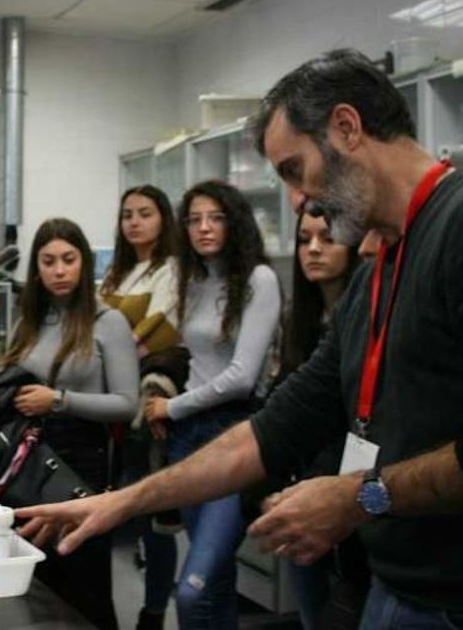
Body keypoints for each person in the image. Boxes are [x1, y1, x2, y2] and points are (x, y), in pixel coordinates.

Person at [18, 48, 463, 629]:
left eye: (294, 170)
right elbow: (277, 427)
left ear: (347, 128)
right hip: (403, 591)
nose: (299, 201)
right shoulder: (376, 276)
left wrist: (360, 496)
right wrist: (121, 502)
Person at [139, 179, 282, 629]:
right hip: (188, 437)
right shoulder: (194, 280)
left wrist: (173, 407)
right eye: (194, 219)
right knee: (216, 585)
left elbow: (241, 378)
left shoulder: (259, 280)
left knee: (193, 591)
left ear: (234, 222)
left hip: (233, 434)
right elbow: (196, 359)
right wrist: (165, 398)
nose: (203, 228)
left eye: (215, 218)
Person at [1, 217, 139, 630]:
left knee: (85, 581)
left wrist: (59, 400)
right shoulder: (29, 320)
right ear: (36, 269)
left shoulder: (107, 321)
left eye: (68, 259)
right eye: (48, 262)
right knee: (36, 581)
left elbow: (127, 404)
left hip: (83, 462)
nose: (59, 270)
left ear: (84, 263)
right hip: (30, 459)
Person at [100, 185, 182, 630]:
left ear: (163, 218)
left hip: (146, 406)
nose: (134, 222)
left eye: (145, 213)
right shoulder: (118, 273)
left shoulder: (172, 269)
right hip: (110, 401)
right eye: (127, 214)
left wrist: (111, 351)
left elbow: (157, 332)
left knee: (153, 513)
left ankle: (153, 611)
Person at [281, 211, 367, 630]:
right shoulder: (300, 319)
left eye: (327, 238)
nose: (313, 249)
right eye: (304, 239)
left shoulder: (365, 316)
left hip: (355, 488)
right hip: (302, 485)